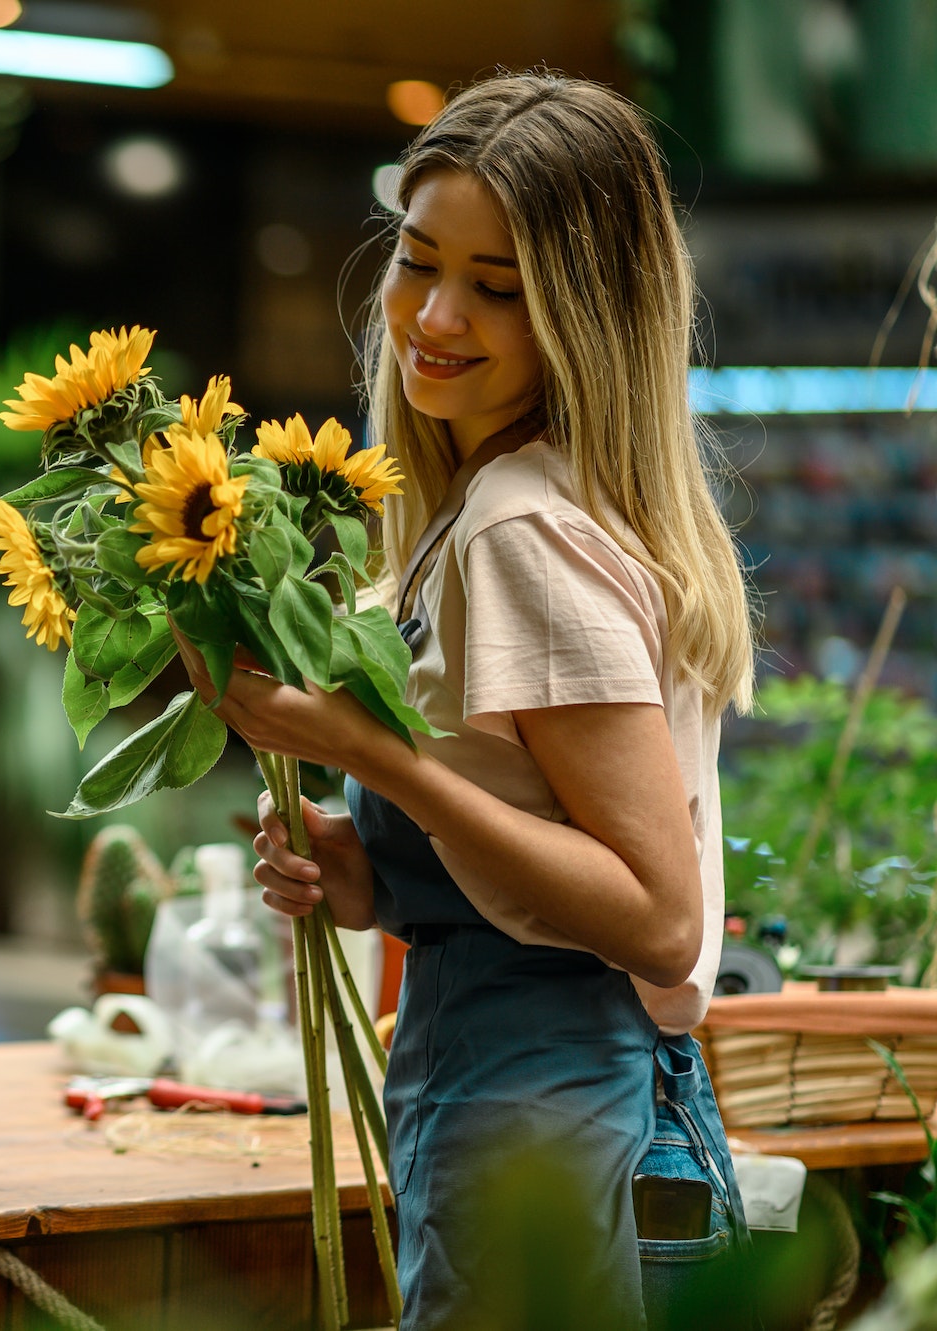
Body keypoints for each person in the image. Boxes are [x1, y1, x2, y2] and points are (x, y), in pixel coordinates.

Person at [177, 74, 758, 1328]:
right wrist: (373, 875)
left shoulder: (519, 530)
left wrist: (370, 758)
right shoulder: (509, 504)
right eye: (417, 260)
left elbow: (653, 915)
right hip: (515, 1069)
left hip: (526, 1087)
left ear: (587, 312)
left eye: (498, 287)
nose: (432, 316)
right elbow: (534, 817)